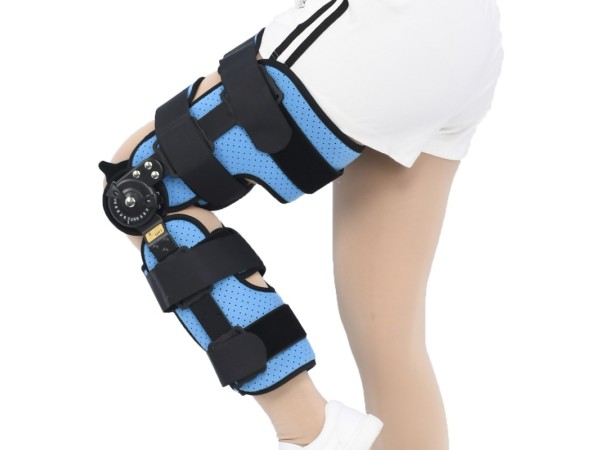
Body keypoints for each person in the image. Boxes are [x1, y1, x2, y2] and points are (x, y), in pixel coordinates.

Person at [102, 0, 504, 449]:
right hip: (466, 36)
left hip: (382, 30)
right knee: (386, 339)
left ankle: (312, 433)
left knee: (137, 190)